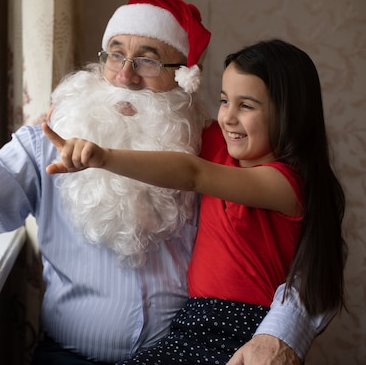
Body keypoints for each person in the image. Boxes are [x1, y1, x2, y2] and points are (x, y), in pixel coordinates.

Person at [0, 0, 328, 364]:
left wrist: (281, 334)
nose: (125, 74)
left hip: (201, 350)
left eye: (148, 60)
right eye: (116, 55)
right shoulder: (51, 138)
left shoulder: (213, 147)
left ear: (183, 77)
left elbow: (310, 244)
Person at [43, 39, 346, 364]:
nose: (228, 117)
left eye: (246, 106)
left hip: (239, 329)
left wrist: (104, 157)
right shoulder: (217, 143)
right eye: (224, 100)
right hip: (192, 324)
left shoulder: (285, 183)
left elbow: (192, 174)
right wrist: (69, 115)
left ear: (289, 113)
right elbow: (155, 120)